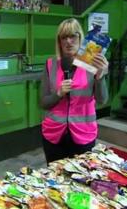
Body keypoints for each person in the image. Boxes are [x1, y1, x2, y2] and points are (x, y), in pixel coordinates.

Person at [39, 18, 109, 164]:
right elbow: (43, 102)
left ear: (80, 38)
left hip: (83, 135)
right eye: (64, 37)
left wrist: (100, 78)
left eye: (73, 36)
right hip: (53, 135)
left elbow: (102, 100)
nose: (68, 41)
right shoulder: (50, 64)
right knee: (54, 180)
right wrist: (58, 94)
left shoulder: (92, 64)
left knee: (81, 181)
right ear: (59, 41)